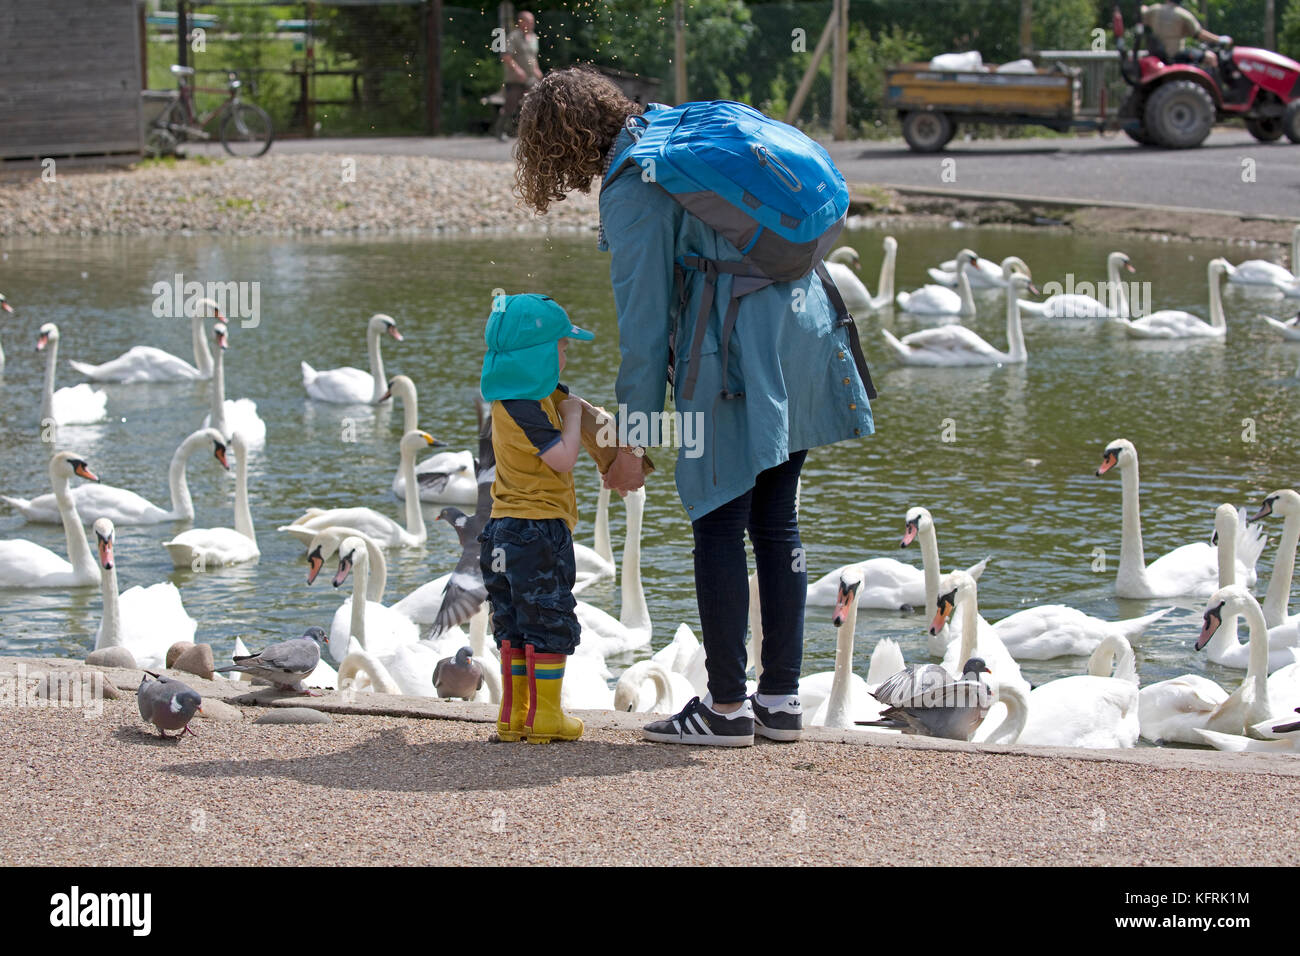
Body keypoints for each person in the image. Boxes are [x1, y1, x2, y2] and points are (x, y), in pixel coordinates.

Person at [513, 69, 874, 747]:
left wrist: (633, 444)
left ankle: (727, 709)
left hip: (734, 351)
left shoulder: (632, 187)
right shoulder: (676, 128)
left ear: (559, 144)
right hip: (801, 327)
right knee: (774, 520)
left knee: (717, 519)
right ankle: (781, 702)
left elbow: (645, 333)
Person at [478, 293, 594, 744]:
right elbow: (563, 459)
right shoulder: (530, 407)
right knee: (547, 617)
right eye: (562, 346)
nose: (567, 354)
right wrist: (572, 417)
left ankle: (513, 716)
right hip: (538, 529)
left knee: (512, 619)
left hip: (500, 529)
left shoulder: (507, 400)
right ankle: (545, 716)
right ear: (540, 354)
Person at [493, 10, 543, 142]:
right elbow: (506, 56)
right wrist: (517, 70)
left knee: (534, 103)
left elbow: (533, 57)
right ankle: (500, 130)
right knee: (510, 105)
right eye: (529, 21)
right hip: (516, 79)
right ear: (521, 22)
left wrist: (537, 69)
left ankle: (529, 132)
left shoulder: (534, 38)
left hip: (531, 78)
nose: (532, 24)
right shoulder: (513, 37)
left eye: (532, 21)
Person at [1141, 1, 1230, 69]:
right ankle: (1215, 89)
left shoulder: (1155, 10)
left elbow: (1142, 12)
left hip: (1157, 54)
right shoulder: (1182, 15)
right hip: (1175, 55)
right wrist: (1218, 39)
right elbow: (1199, 34)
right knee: (1211, 57)